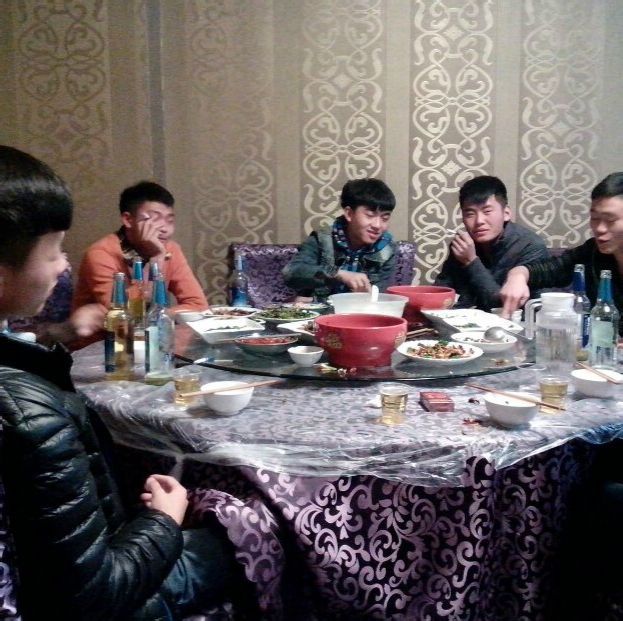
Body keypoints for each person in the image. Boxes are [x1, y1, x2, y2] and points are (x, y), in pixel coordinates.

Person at [0, 146, 256, 619]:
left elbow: (195, 306)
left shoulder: (23, 376)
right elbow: (133, 316)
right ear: (128, 219)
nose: (63, 266)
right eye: (54, 251)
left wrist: (56, 331)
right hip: (114, 592)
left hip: (92, 542)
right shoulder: (25, 406)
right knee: (257, 527)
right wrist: (162, 521)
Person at [500, 172, 623, 335]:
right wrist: (518, 275)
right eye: (594, 218)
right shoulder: (593, 251)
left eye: (610, 220)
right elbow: (552, 268)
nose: (599, 228)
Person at [73, 180, 208, 314]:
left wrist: (162, 316)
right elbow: (124, 314)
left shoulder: (171, 249)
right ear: (128, 219)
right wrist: (157, 258)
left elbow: (198, 304)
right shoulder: (101, 254)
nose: (165, 229)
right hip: (105, 328)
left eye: (170, 220)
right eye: (154, 219)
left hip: (154, 327)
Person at [434, 175, 549, 310]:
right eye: (470, 214)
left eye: (487, 211)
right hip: (464, 320)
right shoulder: (464, 244)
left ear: (506, 213)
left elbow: (504, 308)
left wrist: (471, 262)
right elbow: (441, 293)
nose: (479, 221)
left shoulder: (530, 246)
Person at [282, 178, 398, 300]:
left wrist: (366, 297)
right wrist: (338, 274)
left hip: (357, 310)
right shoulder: (323, 238)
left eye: (385, 218)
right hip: (318, 310)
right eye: (370, 215)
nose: (378, 225)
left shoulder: (386, 249)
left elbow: (379, 297)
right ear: (349, 213)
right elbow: (291, 273)